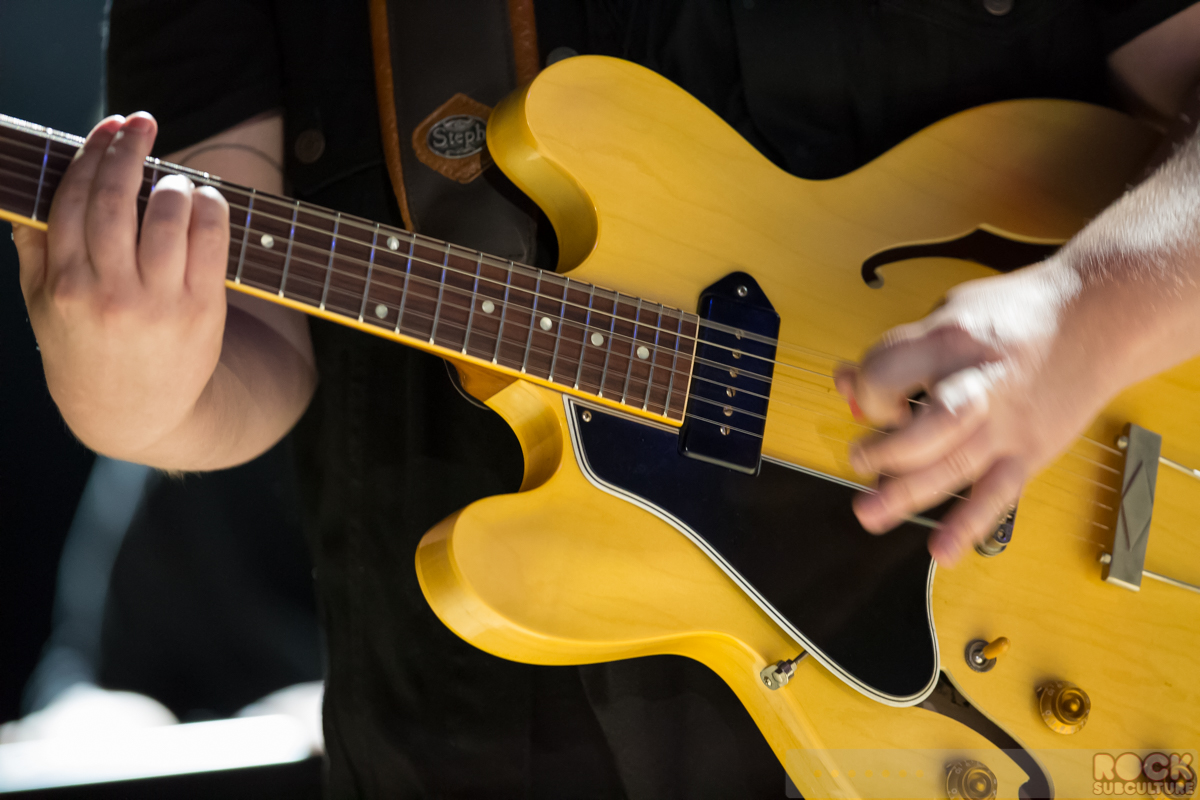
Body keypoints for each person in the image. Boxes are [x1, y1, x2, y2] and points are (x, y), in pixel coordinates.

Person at [12, 1, 1200, 797]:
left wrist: (1079, 313)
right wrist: (124, 379)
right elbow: (238, 347)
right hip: (477, 744)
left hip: (1032, 701)